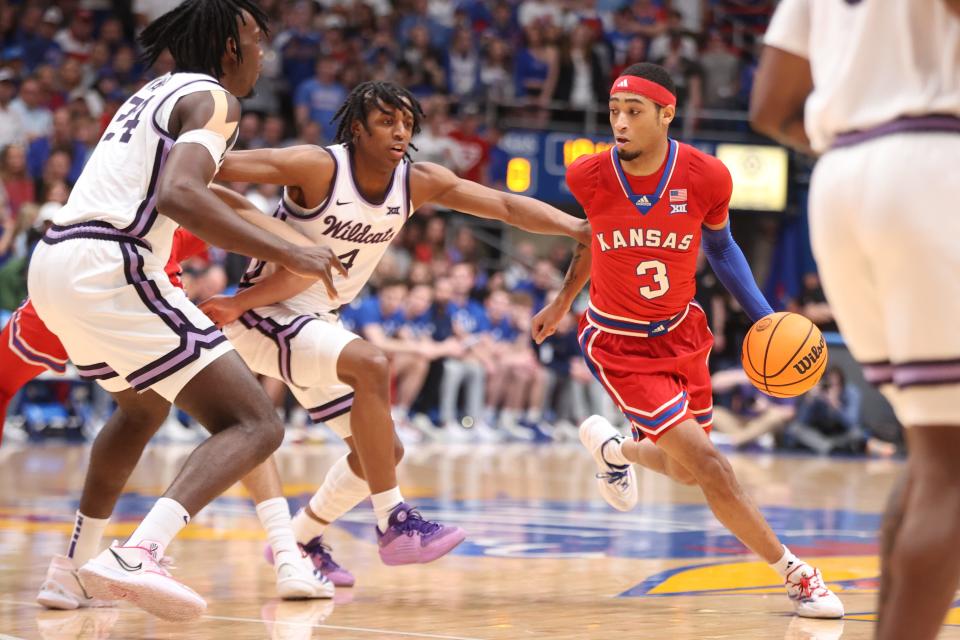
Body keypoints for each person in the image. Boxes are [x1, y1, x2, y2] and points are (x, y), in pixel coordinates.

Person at [25, 0, 343, 621]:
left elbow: (189, 186)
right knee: (256, 423)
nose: (262, 56)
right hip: (111, 263)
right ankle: (139, 553)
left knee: (141, 406)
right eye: (257, 43)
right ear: (231, 48)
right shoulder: (216, 99)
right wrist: (292, 251)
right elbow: (181, 194)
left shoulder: (152, 93)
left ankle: (70, 571)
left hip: (56, 261)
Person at [197, 79, 590, 577]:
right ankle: (394, 521)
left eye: (407, 122)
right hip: (262, 314)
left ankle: (299, 540)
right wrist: (169, 147)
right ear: (357, 129)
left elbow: (507, 207)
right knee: (371, 362)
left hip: (318, 322)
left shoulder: (417, 180)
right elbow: (220, 165)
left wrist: (574, 227)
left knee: (381, 451)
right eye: (387, 121)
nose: (400, 131)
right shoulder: (319, 167)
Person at [530, 62, 843, 619]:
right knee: (712, 467)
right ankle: (797, 573)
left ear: (666, 114)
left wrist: (764, 318)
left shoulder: (707, 176)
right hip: (619, 344)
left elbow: (721, 250)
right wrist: (561, 303)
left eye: (633, 112)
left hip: (683, 332)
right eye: (614, 112)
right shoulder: (590, 175)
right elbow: (591, 242)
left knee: (681, 469)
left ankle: (612, 450)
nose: (620, 123)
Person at [750, 2, 960, 636]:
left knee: (931, 456)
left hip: (840, 175)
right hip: (932, 158)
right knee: (952, 467)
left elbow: (769, 104)